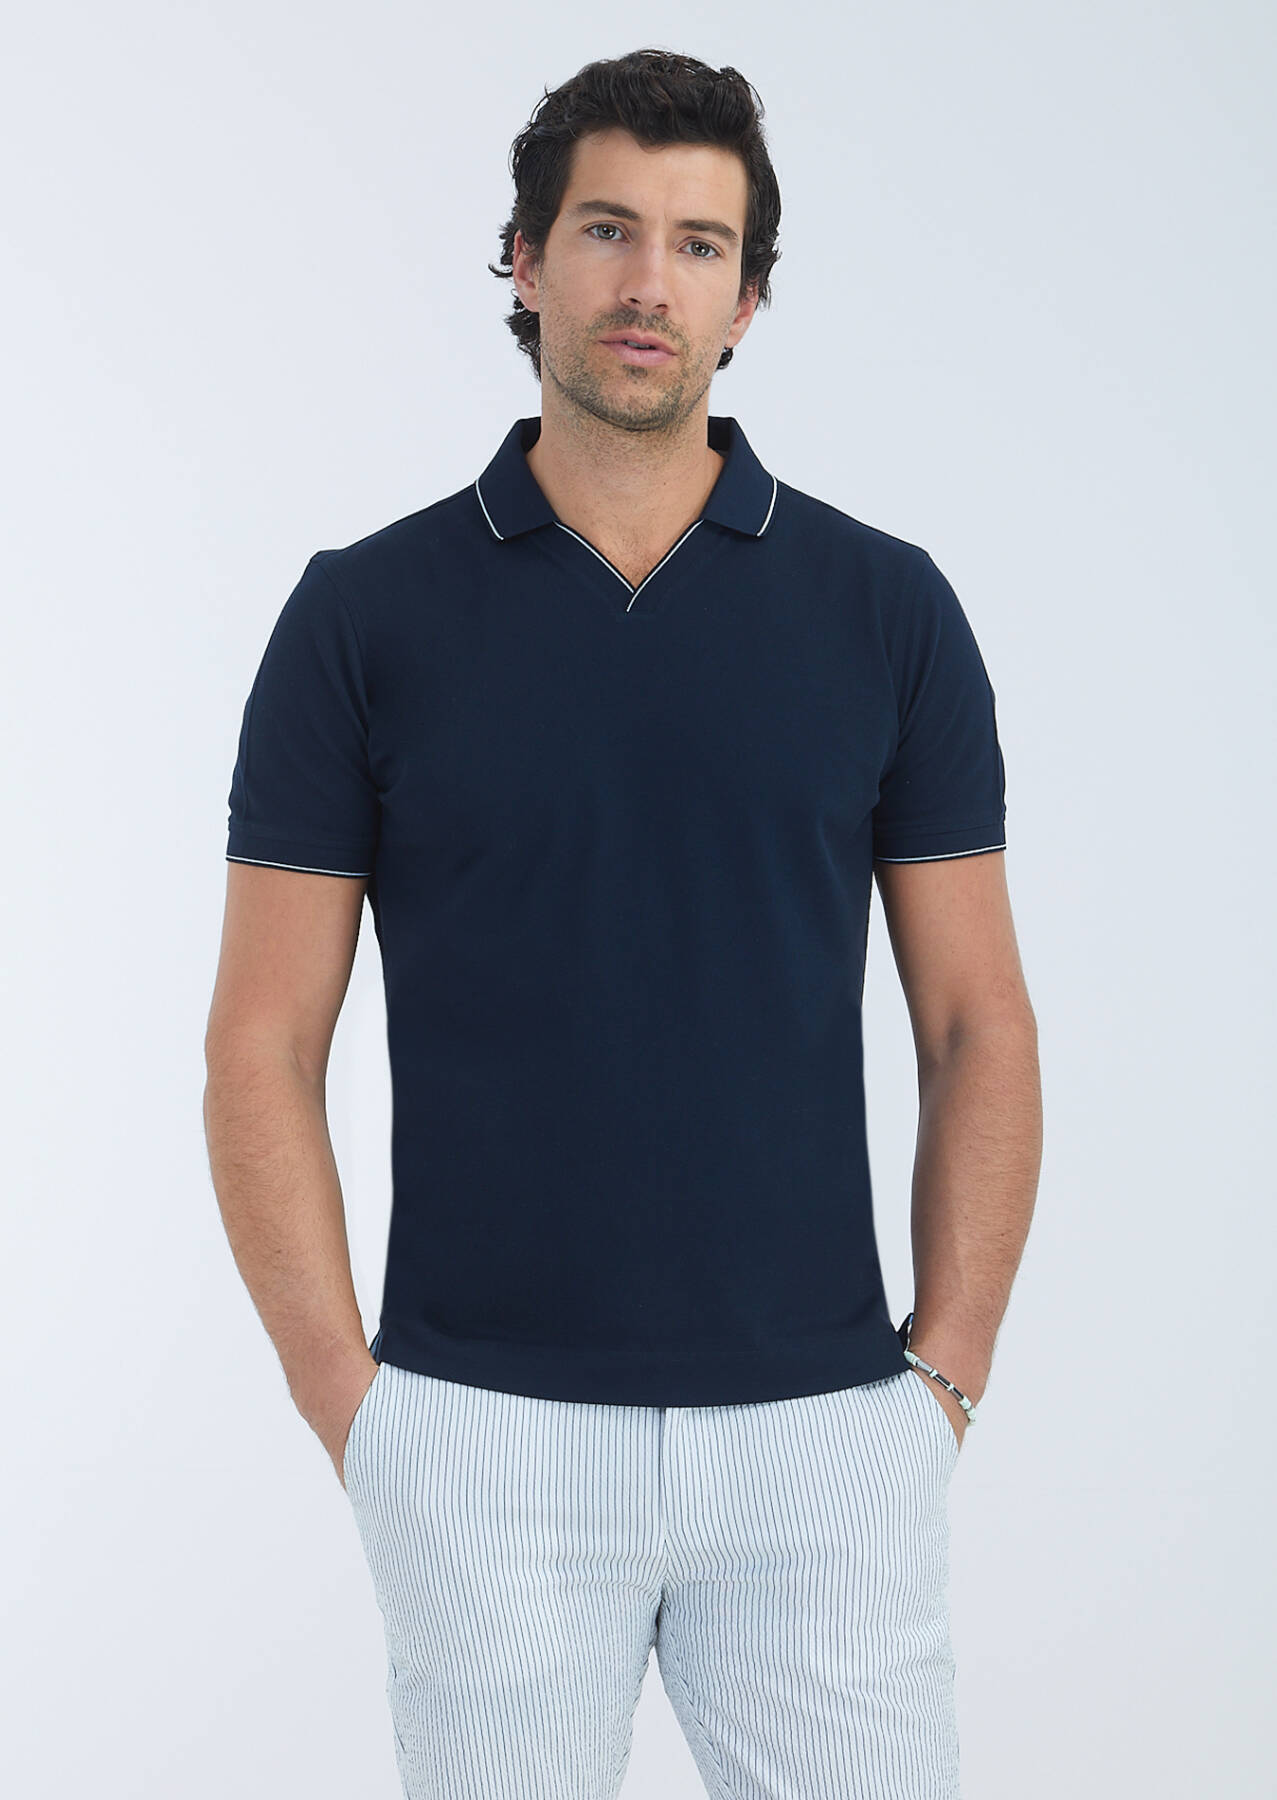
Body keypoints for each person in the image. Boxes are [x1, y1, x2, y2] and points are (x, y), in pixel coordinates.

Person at [204, 46, 1041, 1800]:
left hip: (821, 1439)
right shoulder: (363, 618)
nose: (649, 281)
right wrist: (354, 1408)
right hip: (479, 1440)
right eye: (604, 230)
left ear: (747, 298)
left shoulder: (884, 610)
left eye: (697, 243)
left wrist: (942, 1381)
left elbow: (977, 1023)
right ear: (523, 259)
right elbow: (261, 1043)